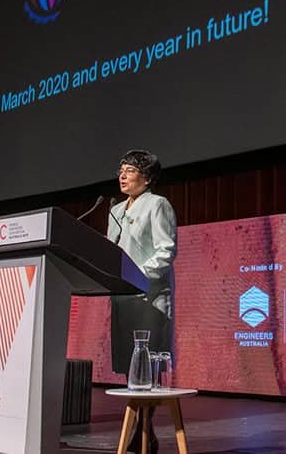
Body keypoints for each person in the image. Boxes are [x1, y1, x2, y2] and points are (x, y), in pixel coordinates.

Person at [107, 149, 176, 453]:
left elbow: (166, 250)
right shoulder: (115, 210)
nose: (122, 175)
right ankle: (142, 430)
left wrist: (137, 275)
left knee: (147, 365)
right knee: (128, 364)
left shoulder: (158, 204)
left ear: (147, 177)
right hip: (123, 295)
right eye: (121, 169)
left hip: (150, 295)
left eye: (130, 170)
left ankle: (143, 430)